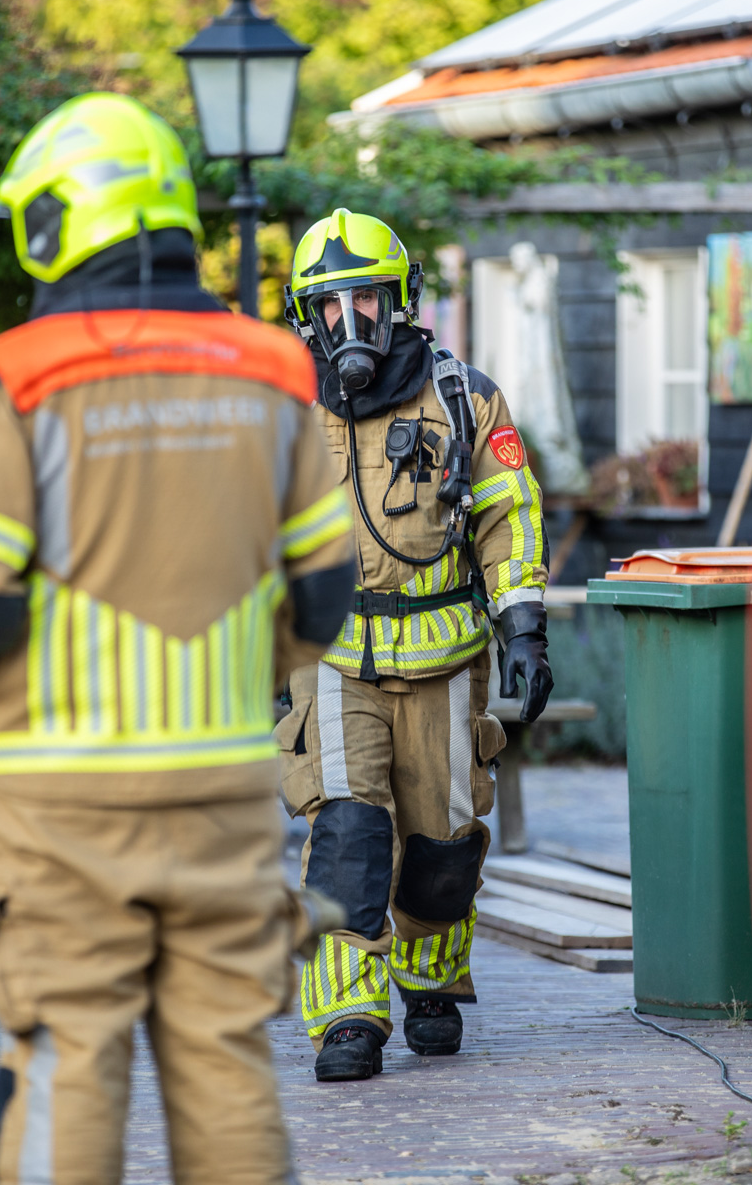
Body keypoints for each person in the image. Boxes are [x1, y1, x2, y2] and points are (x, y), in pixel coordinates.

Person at [0, 92, 355, 1184]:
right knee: (226, 1068)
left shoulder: (14, 377)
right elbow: (326, 592)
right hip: (220, 789)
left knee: (67, 1063)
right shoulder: (272, 368)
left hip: (56, 798)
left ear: (61, 220)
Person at [276, 209, 553, 1082]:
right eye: (330, 306)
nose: (349, 322)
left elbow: (509, 512)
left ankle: (428, 975)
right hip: (329, 665)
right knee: (348, 840)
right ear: (304, 317)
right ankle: (346, 1016)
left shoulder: (464, 396)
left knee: (442, 850)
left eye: (367, 299)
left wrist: (524, 627)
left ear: (402, 301)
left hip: (445, 664)